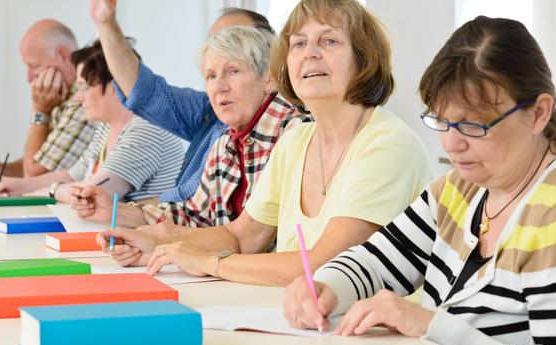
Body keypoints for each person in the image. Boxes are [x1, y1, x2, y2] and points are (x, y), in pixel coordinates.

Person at [283, 16, 556, 345]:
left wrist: (434, 327)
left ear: (538, 113)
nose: (452, 144)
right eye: (442, 121)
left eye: (473, 125)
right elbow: (377, 262)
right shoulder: (460, 190)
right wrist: (327, 288)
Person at [93, 0, 432, 286]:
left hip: (372, 337)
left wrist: (211, 262)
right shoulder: (297, 140)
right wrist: (155, 243)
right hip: (298, 319)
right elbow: (242, 236)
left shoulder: (387, 143)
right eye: (298, 44)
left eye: (329, 42)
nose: (310, 53)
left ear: (364, 59)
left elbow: (324, 267)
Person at [72, 25, 310, 237]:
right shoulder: (225, 141)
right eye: (211, 76)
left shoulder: (296, 134)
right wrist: (115, 211)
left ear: (268, 79)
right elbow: (194, 216)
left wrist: (168, 248)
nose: (218, 87)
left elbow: (251, 241)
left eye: (233, 71)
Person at [87, 0, 275, 205]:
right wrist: (105, 23)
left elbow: (194, 201)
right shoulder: (210, 109)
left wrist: (137, 210)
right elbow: (145, 93)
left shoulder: (282, 126)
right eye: (214, 44)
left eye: (235, 42)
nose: (220, 50)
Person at [0, 40, 184, 203]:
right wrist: (15, 185)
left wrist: (49, 191)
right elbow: (72, 176)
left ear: (116, 86)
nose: (79, 97)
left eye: (84, 87)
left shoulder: (146, 129)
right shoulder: (107, 126)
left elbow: (93, 195)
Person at [0, 19, 96, 181]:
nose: (29, 78)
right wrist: (2, 170)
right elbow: (46, 160)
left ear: (63, 56)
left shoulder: (84, 101)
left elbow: (35, 176)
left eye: (35, 66)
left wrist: (40, 110)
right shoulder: (62, 96)